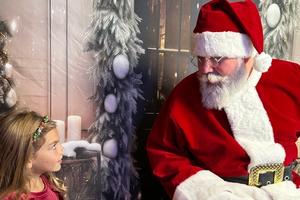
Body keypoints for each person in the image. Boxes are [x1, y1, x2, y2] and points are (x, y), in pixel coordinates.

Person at [146, 0, 300, 199]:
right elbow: (163, 152)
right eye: (200, 58)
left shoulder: (291, 78)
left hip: (287, 190)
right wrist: (209, 193)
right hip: (220, 192)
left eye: (217, 58)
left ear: (247, 55)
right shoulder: (185, 94)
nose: (204, 69)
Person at [0, 110, 66, 200]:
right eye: (53, 146)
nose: (61, 149)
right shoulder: (14, 197)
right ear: (28, 158)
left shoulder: (47, 181)